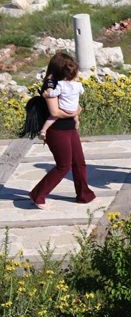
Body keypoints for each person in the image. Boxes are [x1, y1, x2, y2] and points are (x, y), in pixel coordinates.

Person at [29, 52, 96, 210]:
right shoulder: (51, 84)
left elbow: (73, 102)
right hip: (56, 130)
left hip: (69, 128)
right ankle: (38, 195)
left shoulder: (66, 83)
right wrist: (74, 113)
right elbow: (55, 112)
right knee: (63, 165)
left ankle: (84, 195)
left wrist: (75, 113)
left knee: (79, 163)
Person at [38, 59, 83, 141]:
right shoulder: (78, 85)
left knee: (52, 118)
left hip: (64, 108)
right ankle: (77, 121)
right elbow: (82, 92)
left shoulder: (61, 84)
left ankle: (43, 131)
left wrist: (47, 95)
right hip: (74, 109)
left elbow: (54, 94)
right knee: (74, 112)